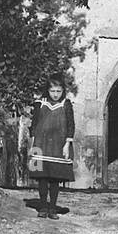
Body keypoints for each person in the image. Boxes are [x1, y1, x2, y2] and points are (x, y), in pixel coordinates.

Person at [29, 75, 75, 219]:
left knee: (55, 177)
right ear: (47, 90)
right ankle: (43, 206)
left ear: (63, 91)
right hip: (41, 144)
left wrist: (67, 144)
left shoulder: (66, 104)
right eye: (53, 91)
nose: (55, 94)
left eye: (58, 91)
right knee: (42, 177)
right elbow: (34, 124)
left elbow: (70, 125)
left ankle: (53, 208)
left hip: (59, 145)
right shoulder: (40, 103)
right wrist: (32, 144)